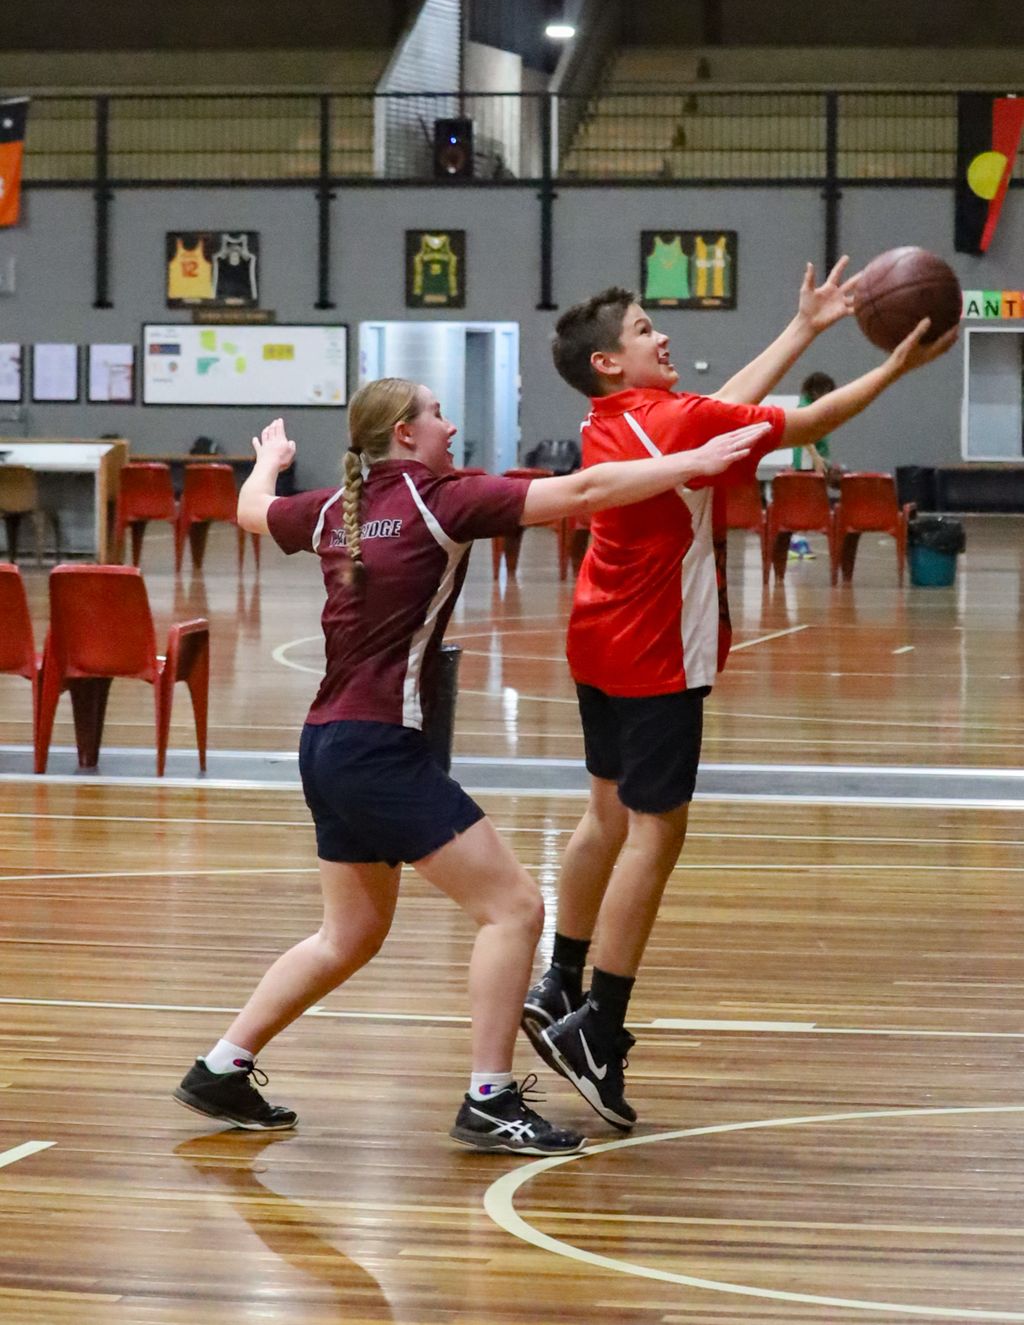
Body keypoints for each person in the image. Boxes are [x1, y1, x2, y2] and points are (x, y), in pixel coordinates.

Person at [173, 377, 770, 1156]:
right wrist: (691, 461)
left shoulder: (329, 508)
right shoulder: (441, 500)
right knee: (515, 908)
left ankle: (222, 1066)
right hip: (380, 748)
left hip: (324, 743)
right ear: (404, 433)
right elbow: (585, 489)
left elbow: (252, 509)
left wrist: (269, 460)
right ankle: (489, 1098)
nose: (450, 427)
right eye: (437, 414)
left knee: (349, 933)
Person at [523, 263, 957, 1130]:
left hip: (596, 633)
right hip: (655, 646)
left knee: (604, 812)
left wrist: (805, 328)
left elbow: (720, 406)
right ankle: (598, 1026)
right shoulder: (676, 420)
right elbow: (813, 419)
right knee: (657, 830)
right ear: (609, 361)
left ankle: (559, 980)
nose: (661, 335)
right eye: (643, 329)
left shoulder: (611, 418)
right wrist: (894, 368)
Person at [790, 369, 838, 558]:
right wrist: (816, 458)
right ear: (817, 390)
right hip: (806, 462)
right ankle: (796, 540)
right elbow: (804, 436)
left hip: (815, 459)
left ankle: (799, 538)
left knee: (809, 502)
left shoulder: (816, 406)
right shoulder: (804, 407)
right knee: (805, 501)